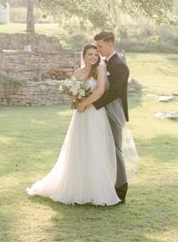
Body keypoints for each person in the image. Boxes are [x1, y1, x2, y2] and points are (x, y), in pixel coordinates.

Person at [26, 43, 121, 206]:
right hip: (80, 116)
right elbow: (72, 92)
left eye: (95, 55)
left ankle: (95, 190)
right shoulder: (77, 73)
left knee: (94, 147)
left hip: (94, 113)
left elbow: (100, 91)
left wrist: (85, 104)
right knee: (78, 147)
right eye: (90, 54)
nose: (93, 57)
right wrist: (76, 101)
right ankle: (75, 187)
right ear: (83, 56)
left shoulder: (99, 70)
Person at [77, 31, 132, 204]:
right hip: (98, 114)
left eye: (100, 46)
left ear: (110, 44)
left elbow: (114, 92)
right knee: (101, 150)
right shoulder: (102, 63)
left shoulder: (120, 65)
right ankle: (103, 185)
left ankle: (120, 189)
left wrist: (91, 103)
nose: (98, 50)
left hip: (113, 113)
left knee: (115, 150)